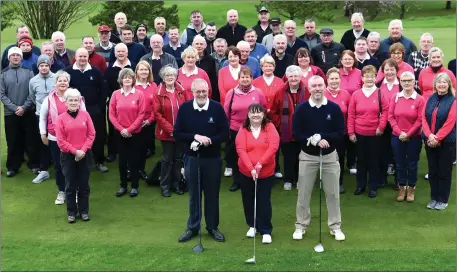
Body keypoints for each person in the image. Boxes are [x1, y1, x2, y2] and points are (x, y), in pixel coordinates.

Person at [174, 78, 229, 243]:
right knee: (194, 194)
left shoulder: (217, 108)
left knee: (212, 194)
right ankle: (193, 227)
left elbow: (225, 133)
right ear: (192, 92)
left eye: (204, 91)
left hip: (212, 158)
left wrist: (210, 140)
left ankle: (212, 227)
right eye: (198, 91)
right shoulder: (185, 108)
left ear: (208, 91)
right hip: (192, 158)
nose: (201, 94)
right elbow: (177, 133)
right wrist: (195, 137)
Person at [292, 75, 345, 241]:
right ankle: (301, 226)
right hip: (308, 157)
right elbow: (296, 134)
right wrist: (312, 139)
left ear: (325, 86)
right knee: (304, 193)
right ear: (308, 88)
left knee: (333, 193)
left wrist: (322, 136)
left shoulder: (334, 108)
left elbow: (340, 133)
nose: (317, 89)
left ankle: (335, 226)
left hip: (329, 157)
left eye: (320, 85)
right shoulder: (301, 109)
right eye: (313, 86)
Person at [39, 71, 86, 205]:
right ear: (55, 83)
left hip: (74, 138)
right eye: (60, 80)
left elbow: (84, 116)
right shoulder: (49, 99)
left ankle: (75, 190)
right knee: (59, 166)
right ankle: (62, 191)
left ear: (68, 83)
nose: (62, 83)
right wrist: (43, 133)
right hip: (55, 138)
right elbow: (42, 117)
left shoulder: (76, 97)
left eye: (65, 80)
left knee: (74, 166)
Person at [236, 103, 279, 244]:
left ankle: (266, 229)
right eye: (252, 113)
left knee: (263, 200)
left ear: (263, 114)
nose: (255, 115)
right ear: (248, 115)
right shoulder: (243, 129)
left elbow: (273, 147)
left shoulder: (269, 127)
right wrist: (251, 168)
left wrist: (260, 164)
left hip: (265, 172)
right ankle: (252, 225)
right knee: (248, 200)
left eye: (258, 113)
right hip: (246, 172)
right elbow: (241, 149)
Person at [64, 48, 108, 173]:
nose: (82, 59)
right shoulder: (68, 72)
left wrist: (99, 107)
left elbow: (103, 90)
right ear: (75, 58)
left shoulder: (95, 71)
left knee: (97, 136)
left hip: (94, 110)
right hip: (75, 111)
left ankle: (99, 161)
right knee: (77, 136)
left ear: (88, 58)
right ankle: (77, 160)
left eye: (84, 56)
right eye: (80, 56)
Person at [348, 65, 389, 198]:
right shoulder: (356, 94)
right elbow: (351, 115)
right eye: (366, 76)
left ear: (376, 77)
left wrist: (381, 127)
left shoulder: (380, 93)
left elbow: (385, 112)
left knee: (373, 161)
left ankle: (373, 186)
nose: (369, 79)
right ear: (362, 78)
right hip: (359, 133)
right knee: (361, 161)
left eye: (372, 76)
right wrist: (351, 132)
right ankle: (360, 185)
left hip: (375, 133)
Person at [224, 67, 267, 192]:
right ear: (238, 79)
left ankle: (253, 178)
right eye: (242, 77)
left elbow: (264, 108)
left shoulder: (258, 92)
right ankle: (237, 181)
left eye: (247, 77)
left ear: (251, 78)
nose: (245, 79)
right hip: (235, 130)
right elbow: (226, 112)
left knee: (252, 154)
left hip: (254, 129)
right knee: (237, 156)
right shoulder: (231, 93)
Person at [55, 88, 95, 223]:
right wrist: (75, 151)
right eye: (70, 100)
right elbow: (60, 141)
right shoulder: (60, 119)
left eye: (75, 100)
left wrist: (83, 150)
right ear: (65, 102)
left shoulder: (85, 115)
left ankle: (84, 211)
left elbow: (91, 134)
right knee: (70, 185)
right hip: (68, 156)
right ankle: (71, 212)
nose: (73, 102)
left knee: (84, 185)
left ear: (79, 101)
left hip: (85, 155)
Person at [1, 47, 39, 177]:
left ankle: (33, 164)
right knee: (13, 140)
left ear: (21, 57)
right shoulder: (3, 73)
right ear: (9, 58)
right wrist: (14, 108)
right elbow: (2, 94)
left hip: (28, 111)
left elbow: (32, 92)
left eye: (18, 55)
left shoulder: (28, 72)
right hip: (10, 113)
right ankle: (12, 166)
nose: (15, 57)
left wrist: (24, 107)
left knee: (31, 139)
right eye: (13, 55)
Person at [388, 71, 424, 202]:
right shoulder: (395, 97)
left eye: (409, 80)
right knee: (400, 163)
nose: (407, 83)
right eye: (404, 81)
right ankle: (402, 187)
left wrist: (408, 134)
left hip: (414, 137)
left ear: (414, 82)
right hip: (397, 136)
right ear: (400, 82)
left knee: (412, 164)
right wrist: (399, 132)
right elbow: (390, 117)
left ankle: (411, 189)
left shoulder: (420, 99)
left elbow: (420, 120)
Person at [109, 68, 145, 197]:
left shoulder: (139, 94)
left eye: (129, 77)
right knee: (122, 161)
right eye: (125, 77)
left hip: (135, 133)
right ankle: (123, 185)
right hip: (120, 133)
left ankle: (134, 186)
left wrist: (129, 130)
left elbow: (141, 114)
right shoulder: (115, 94)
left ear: (133, 79)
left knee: (134, 160)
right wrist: (122, 130)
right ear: (121, 80)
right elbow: (111, 115)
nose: (127, 79)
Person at [422, 73, 456, 211]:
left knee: (444, 171)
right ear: (435, 84)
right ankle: (434, 198)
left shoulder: (453, 101)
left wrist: (437, 137)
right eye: (439, 82)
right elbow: (423, 118)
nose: (441, 85)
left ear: (449, 85)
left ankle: (442, 199)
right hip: (430, 141)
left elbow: (450, 122)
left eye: (444, 82)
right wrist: (430, 135)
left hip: (447, 142)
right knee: (433, 171)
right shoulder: (430, 98)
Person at [153, 66, 188, 197]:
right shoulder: (158, 92)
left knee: (178, 159)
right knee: (167, 160)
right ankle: (165, 186)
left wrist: (179, 129)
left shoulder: (182, 90)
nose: (170, 78)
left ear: (175, 77)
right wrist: (171, 130)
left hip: (180, 132)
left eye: (172, 75)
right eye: (167, 76)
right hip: (166, 133)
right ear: (163, 78)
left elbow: (186, 109)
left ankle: (177, 184)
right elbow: (157, 114)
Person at [274, 65, 307, 191]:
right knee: (288, 157)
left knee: (301, 157)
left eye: (296, 76)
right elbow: (274, 112)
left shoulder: (307, 91)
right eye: (291, 76)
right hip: (286, 131)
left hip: (302, 130)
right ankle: (288, 179)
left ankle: (299, 179)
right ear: (287, 77)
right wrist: (281, 125)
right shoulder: (280, 91)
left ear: (300, 77)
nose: (293, 79)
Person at [252, 55, 285, 179]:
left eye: (270, 65)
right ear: (261, 67)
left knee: (274, 142)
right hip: (260, 117)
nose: (268, 68)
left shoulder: (280, 81)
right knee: (261, 142)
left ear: (274, 67)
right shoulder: (255, 82)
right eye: (265, 66)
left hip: (275, 117)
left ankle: (275, 168)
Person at [104, 43, 135, 162]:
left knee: (131, 127)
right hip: (114, 104)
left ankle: (131, 150)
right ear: (115, 53)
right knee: (113, 129)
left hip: (131, 103)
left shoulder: (133, 66)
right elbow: (106, 87)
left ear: (127, 53)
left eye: (123, 51)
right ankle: (113, 152)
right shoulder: (109, 69)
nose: (121, 53)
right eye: (118, 51)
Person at [29, 55, 57, 184]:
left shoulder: (56, 78)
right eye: (41, 65)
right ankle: (44, 170)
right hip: (40, 115)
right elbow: (32, 97)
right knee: (43, 142)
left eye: (46, 65)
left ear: (49, 66)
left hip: (56, 116)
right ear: (38, 66)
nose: (44, 68)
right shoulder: (33, 81)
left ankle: (61, 169)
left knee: (58, 142)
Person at [324, 68, 351, 194]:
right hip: (326, 134)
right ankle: (326, 183)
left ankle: (339, 182)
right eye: (331, 78)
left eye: (336, 78)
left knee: (339, 159)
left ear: (340, 80)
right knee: (326, 159)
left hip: (342, 133)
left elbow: (350, 114)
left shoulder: (345, 94)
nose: (334, 81)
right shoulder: (322, 94)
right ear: (327, 80)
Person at [135, 61, 158, 178]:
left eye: (146, 70)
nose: (144, 72)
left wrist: (149, 120)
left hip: (148, 123)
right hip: (134, 124)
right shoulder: (132, 85)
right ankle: (132, 170)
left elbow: (156, 107)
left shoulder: (153, 86)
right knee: (134, 148)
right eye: (141, 70)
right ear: (137, 71)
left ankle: (141, 170)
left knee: (144, 148)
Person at [192, 35, 218, 101]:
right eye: (197, 44)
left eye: (201, 44)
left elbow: (213, 80)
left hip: (205, 93)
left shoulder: (211, 60)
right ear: (193, 45)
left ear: (205, 46)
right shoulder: (188, 59)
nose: (199, 46)